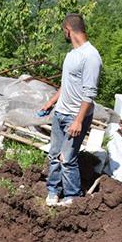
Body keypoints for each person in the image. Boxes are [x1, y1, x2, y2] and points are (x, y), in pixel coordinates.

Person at [40, 13, 102, 206]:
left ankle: (72, 197)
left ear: (68, 29)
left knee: (67, 158)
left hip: (75, 117)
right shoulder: (72, 55)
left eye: (63, 31)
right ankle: (53, 191)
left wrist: (78, 120)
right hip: (60, 113)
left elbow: (89, 93)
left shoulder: (91, 56)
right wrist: (51, 103)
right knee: (53, 155)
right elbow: (66, 85)